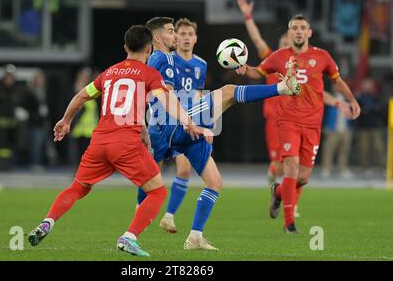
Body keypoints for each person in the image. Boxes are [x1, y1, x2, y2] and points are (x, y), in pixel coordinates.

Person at [27, 25, 210, 257]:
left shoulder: (109, 73)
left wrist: (65, 120)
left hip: (100, 143)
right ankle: (129, 237)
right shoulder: (150, 74)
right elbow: (168, 101)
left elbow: (81, 96)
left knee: (77, 188)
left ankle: (47, 222)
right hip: (126, 144)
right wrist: (187, 121)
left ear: (125, 47)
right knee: (157, 193)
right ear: (150, 49)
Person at [139, 17, 301, 250]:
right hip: (174, 125)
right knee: (229, 92)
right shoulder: (160, 58)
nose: (176, 35)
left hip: (182, 124)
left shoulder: (174, 61)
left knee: (214, 182)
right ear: (156, 37)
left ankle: (195, 237)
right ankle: (281, 88)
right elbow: (164, 97)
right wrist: (189, 121)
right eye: (171, 31)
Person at [239, 14, 361, 233]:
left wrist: (351, 100)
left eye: (302, 28)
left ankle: (278, 192)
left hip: (313, 124)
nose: (298, 31)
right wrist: (245, 69)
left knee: (303, 177)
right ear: (289, 32)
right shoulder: (279, 57)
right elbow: (258, 72)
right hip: (288, 122)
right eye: (294, 28)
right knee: (291, 168)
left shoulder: (322, 56)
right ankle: (289, 224)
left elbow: (336, 82)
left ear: (309, 32)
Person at [157, 18, 208, 233]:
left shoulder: (201, 65)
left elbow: (197, 94)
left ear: (195, 39)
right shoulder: (167, 60)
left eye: (190, 34)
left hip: (185, 123)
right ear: (175, 38)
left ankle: (168, 216)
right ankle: (141, 206)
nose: (186, 38)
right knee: (152, 168)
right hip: (163, 120)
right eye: (183, 34)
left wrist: (197, 120)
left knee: (185, 168)